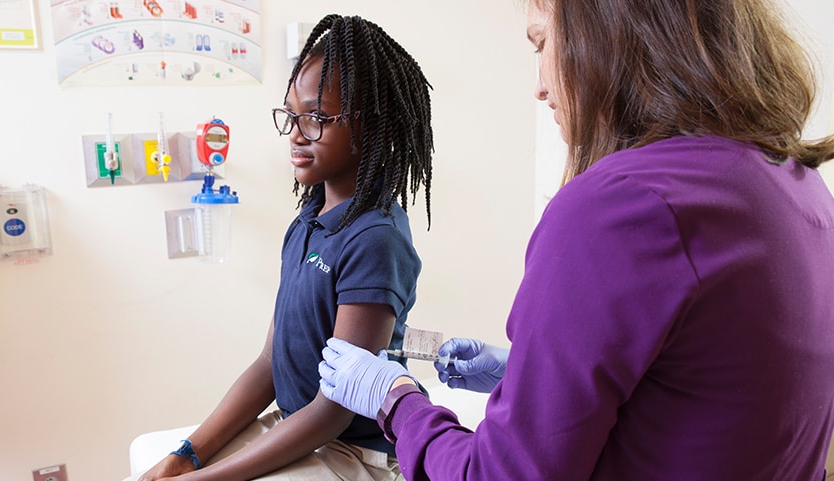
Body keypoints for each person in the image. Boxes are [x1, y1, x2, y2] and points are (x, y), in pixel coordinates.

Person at [318, 0, 834, 479]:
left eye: (542, 45)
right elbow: (705, 398)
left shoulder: (618, 206)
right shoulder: (800, 188)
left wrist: (398, 400)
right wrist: (528, 376)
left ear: (608, 31)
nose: (539, 87)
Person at [131, 14, 434, 481]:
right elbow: (270, 362)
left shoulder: (376, 240)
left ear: (371, 125)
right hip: (300, 425)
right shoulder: (308, 222)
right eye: (291, 115)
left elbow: (334, 410)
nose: (295, 133)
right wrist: (185, 455)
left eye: (315, 118)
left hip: (353, 452)